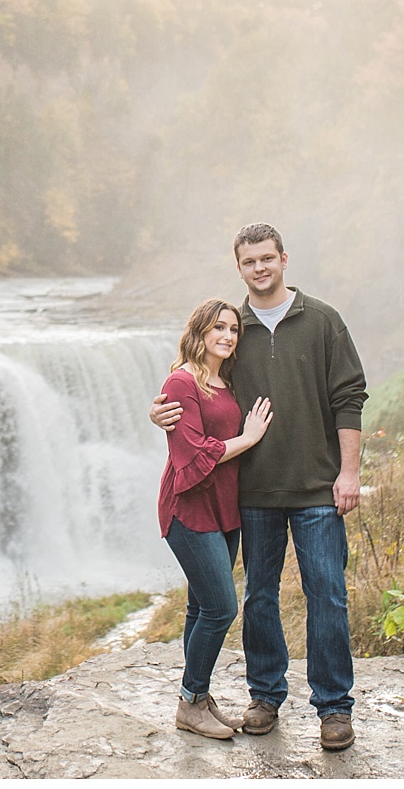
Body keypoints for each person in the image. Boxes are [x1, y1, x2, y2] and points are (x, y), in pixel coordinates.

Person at [150, 223, 367, 751]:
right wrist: (161, 412)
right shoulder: (233, 329)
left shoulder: (321, 320)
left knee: (328, 596)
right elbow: (196, 387)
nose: (260, 268)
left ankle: (334, 708)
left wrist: (350, 472)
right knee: (259, 599)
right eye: (250, 262)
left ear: (284, 259)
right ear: (240, 266)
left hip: (318, 487)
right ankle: (265, 696)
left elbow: (350, 396)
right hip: (251, 494)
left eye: (268, 259)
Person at [158, 298, 273, 740]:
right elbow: (193, 453)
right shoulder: (182, 382)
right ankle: (189, 701)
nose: (226, 336)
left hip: (224, 507)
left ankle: (199, 697)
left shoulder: (225, 381)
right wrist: (249, 438)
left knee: (198, 606)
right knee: (221, 607)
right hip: (189, 506)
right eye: (217, 328)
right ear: (200, 332)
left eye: (233, 329)